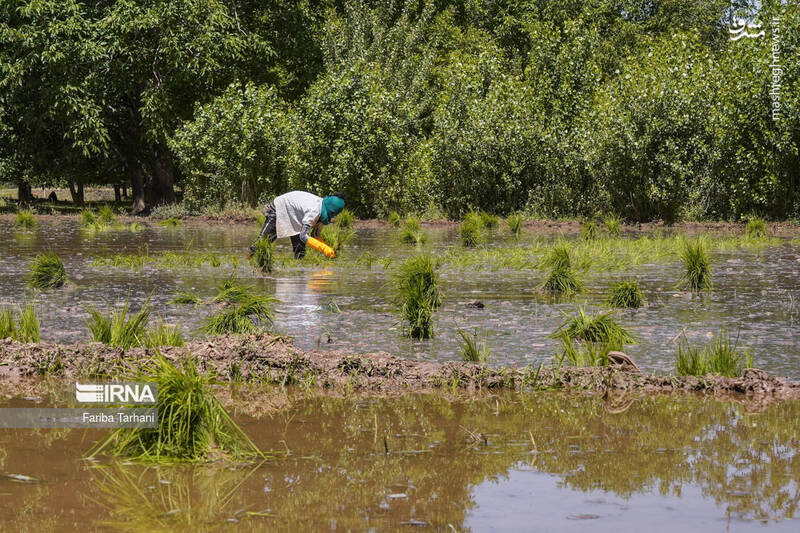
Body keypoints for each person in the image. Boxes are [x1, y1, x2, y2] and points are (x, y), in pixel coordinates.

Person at [251, 191, 345, 259]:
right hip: (280, 208)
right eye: (332, 214)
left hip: (296, 217)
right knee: (262, 242)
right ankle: (248, 259)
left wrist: (329, 250)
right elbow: (303, 236)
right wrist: (324, 248)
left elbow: (315, 235)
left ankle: (298, 279)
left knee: (300, 252)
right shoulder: (314, 210)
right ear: (329, 209)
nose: (332, 217)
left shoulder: (322, 214)